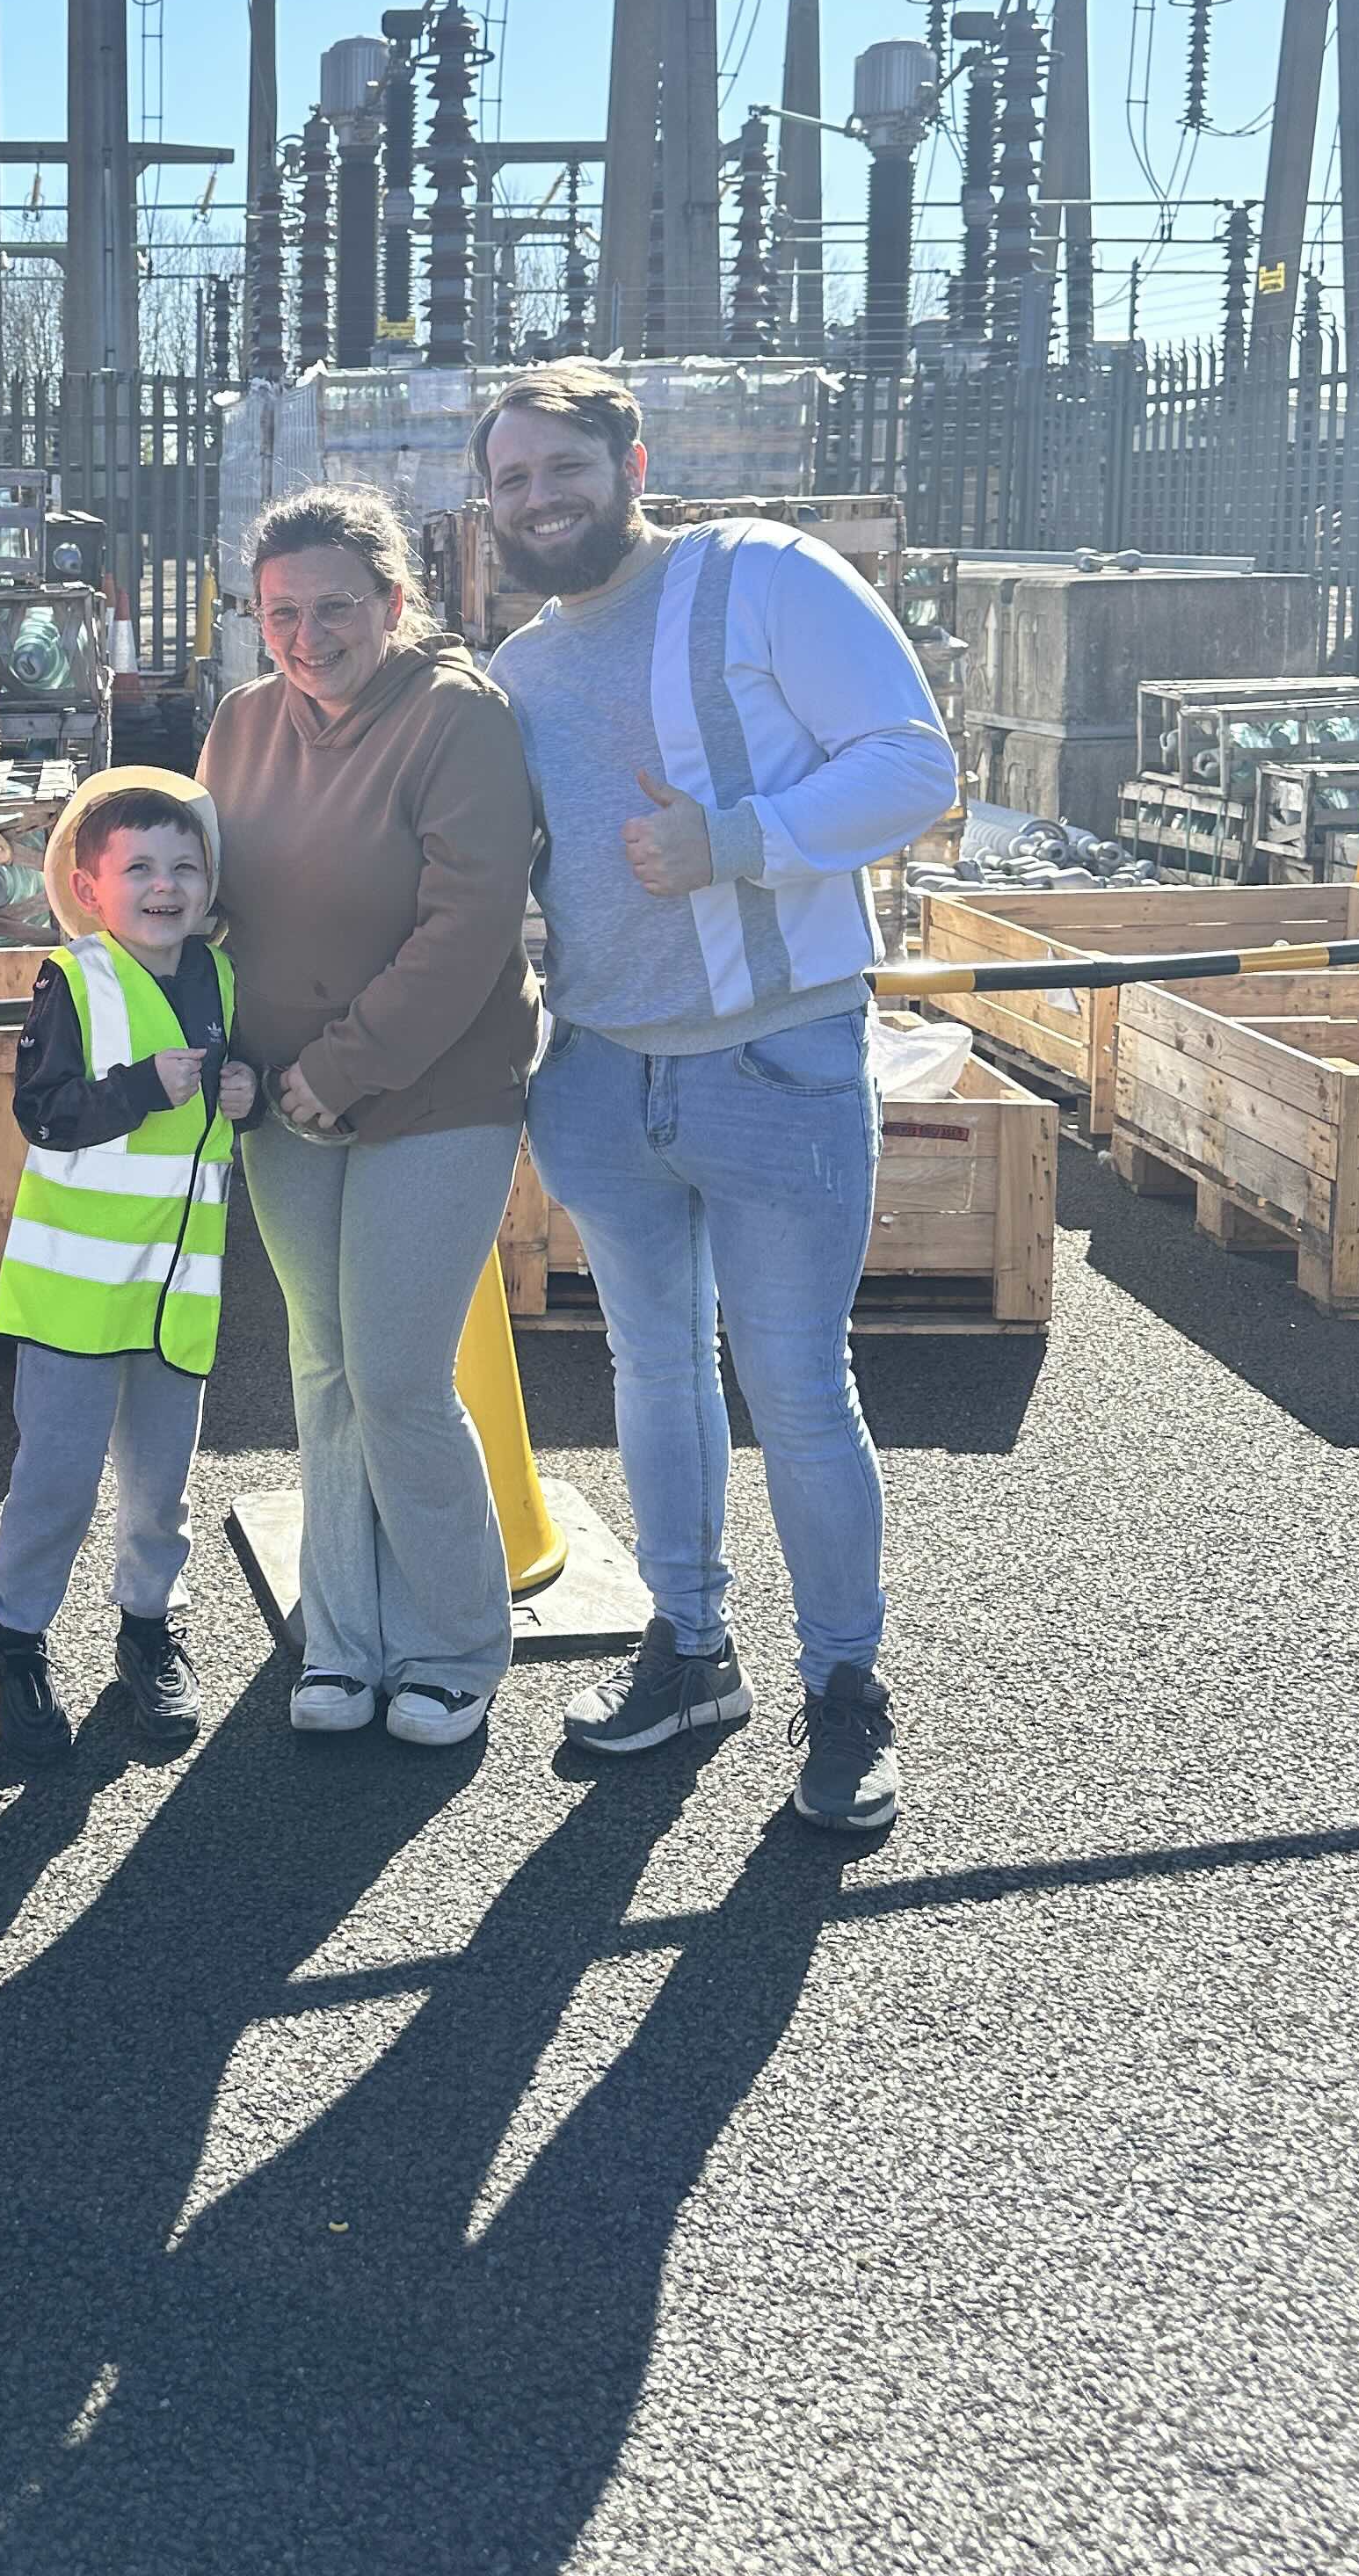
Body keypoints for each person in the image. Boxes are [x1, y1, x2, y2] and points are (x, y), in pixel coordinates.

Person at [478, 360, 958, 1835]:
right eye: (510, 479)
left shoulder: (759, 574)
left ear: (631, 463)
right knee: (655, 1371)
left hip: (772, 1058)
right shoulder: (519, 667)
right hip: (600, 1072)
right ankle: (688, 1651)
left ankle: (845, 1690)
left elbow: (913, 767)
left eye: (563, 467)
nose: (538, 499)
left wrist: (739, 840)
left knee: (797, 1390)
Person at [198, 488, 540, 1749]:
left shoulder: (458, 718)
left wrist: (339, 1070)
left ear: (394, 602)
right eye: (280, 612)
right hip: (280, 1096)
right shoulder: (242, 724)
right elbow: (203, 892)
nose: (307, 636)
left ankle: (455, 1640)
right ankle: (343, 1637)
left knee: (396, 1376)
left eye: (336, 607)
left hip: (432, 1093)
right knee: (325, 1367)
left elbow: (468, 927)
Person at [0, 769, 260, 1760]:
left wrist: (247, 1094)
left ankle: (148, 1630)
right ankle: (19, 1642)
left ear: (209, 884)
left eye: (185, 867)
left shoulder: (223, 979)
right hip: (74, 1300)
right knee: (55, 1484)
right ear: (87, 887)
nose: (164, 885)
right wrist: (142, 1087)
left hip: (176, 1296)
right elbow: (43, 1113)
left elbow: (224, 1117)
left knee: (161, 1488)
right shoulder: (75, 979)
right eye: (138, 867)